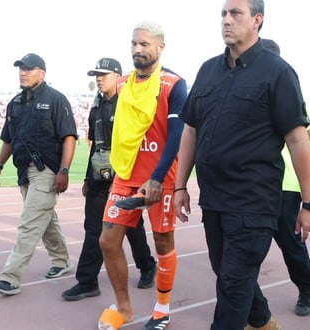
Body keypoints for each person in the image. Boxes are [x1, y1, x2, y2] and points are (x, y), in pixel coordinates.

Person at [173, 1, 310, 328]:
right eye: (223, 14)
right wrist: (180, 185)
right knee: (226, 273)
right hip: (214, 200)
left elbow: (298, 140)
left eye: (235, 13)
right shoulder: (208, 69)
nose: (226, 20)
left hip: (253, 203)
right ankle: (266, 324)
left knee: (232, 286)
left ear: (257, 20)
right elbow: (191, 128)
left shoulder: (278, 72)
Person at [97, 21, 187, 330]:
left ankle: (162, 309)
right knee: (108, 240)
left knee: (162, 241)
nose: (137, 49)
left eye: (144, 44)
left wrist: (158, 178)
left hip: (161, 176)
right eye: (134, 44)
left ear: (160, 47)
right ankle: (124, 309)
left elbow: (176, 137)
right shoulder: (122, 84)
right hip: (127, 173)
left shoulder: (174, 85)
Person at [61, 58, 157, 302]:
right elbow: (96, 146)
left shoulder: (127, 104)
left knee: (132, 228)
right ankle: (87, 281)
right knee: (93, 229)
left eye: (104, 74)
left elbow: (138, 145)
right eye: (96, 75)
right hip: (98, 179)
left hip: (123, 178)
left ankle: (146, 265)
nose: (99, 78)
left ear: (118, 76)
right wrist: (86, 178)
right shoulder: (96, 107)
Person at [0, 53, 76, 296]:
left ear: (42, 73)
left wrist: (64, 170)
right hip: (23, 171)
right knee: (44, 218)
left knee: (29, 223)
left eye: (29, 68)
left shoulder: (56, 99)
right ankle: (62, 261)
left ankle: (10, 277)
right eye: (21, 69)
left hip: (46, 171)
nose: (23, 72)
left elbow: (69, 136)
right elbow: (8, 138)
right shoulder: (15, 103)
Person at [261, 38, 310, 317]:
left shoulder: (295, 95)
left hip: (287, 184)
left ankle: (305, 287)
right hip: (253, 183)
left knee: (291, 244)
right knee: (245, 244)